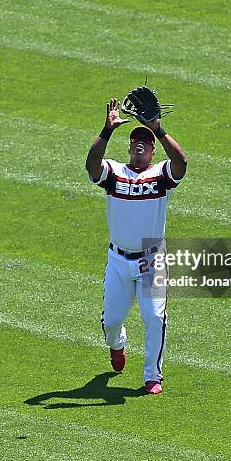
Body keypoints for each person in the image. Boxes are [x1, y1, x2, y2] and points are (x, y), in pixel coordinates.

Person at [85, 98, 187, 394]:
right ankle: (117, 344)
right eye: (136, 140)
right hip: (118, 261)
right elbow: (92, 166)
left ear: (153, 149)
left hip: (151, 260)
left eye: (146, 141)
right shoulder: (116, 173)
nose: (140, 144)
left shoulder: (160, 176)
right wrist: (106, 131)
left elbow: (181, 163)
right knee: (112, 322)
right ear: (129, 146)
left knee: (155, 316)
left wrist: (158, 128)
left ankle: (152, 376)